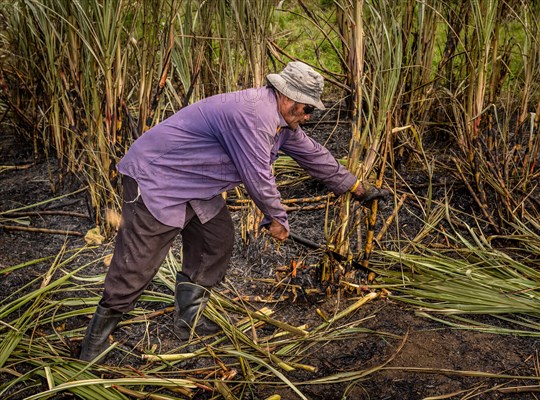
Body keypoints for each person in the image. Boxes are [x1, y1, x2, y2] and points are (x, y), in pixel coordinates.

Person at [79, 61, 386, 362]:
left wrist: (357, 187)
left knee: (216, 240)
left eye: (312, 111)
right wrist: (276, 217)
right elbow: (258, 174)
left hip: (195, 183)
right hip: (157, 177)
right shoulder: (255, 115)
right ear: (289, 97)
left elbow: (313, 154)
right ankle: (93, 345)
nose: (308, 116)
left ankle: (188, 321)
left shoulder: (281, 122)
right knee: (138, 262)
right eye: (307, 109)